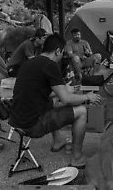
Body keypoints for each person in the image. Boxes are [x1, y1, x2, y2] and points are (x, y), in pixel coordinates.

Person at [9, 34, 102, 168]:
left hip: (16, 119)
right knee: (81, 111)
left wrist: (65, 90)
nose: (61, 56)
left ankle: (58, 141)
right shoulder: (50, 65)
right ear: (58, 51)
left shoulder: (30, 63)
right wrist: (88, 97)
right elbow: (67, 99)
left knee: (55, 102)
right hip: (31, 125)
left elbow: (40, 91)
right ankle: (77, 158)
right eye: (62, 53)